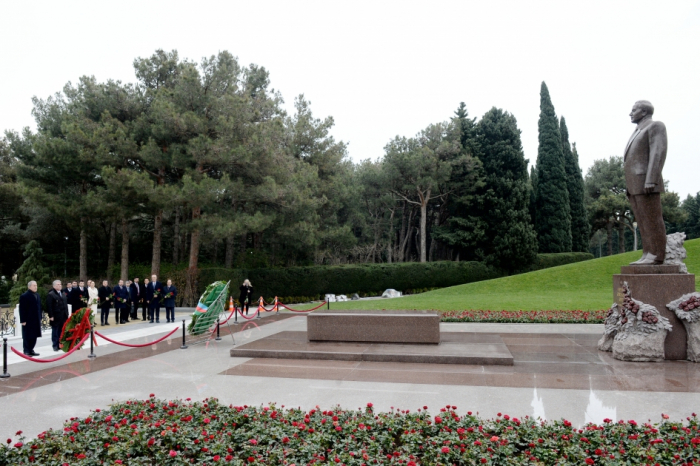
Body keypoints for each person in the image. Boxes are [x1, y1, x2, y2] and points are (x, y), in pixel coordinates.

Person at [624, 100, 668, 265]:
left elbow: (658, 153)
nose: (630, 113)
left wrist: (651, 179)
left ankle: (657, 255)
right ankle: (647, 253)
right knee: (642, 220)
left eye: (633, 110)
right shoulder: (637, 130)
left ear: (644, 112)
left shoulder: (655, 126)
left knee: (652, 219)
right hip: (635, 184)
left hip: (646, 182)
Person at [19, 281, 42, 356]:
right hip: (28, 320)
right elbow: (22, 309)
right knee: (27, 336)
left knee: (34, 336)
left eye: (36, 285)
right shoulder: (24, 296)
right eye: (34, 285)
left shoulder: (37, 295)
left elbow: (39, 307)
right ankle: (26, 350)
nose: (36, 287)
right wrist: (23, 320)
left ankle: (31, 349)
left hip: (36, 319)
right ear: (29, 287)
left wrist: (40, 317)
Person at [46, 279, 69, 351]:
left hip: (63, 315)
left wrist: (67, 314)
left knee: (61, 331)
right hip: (56, 316)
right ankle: (55, 345)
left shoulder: (63, 293)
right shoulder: (51, 294)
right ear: (54, 286)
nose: (60, 286)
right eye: (58, 285)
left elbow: (65, 305)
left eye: (60, 284)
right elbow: (49, 306)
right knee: (55, 331)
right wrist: (51, 316)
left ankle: (60, 344)